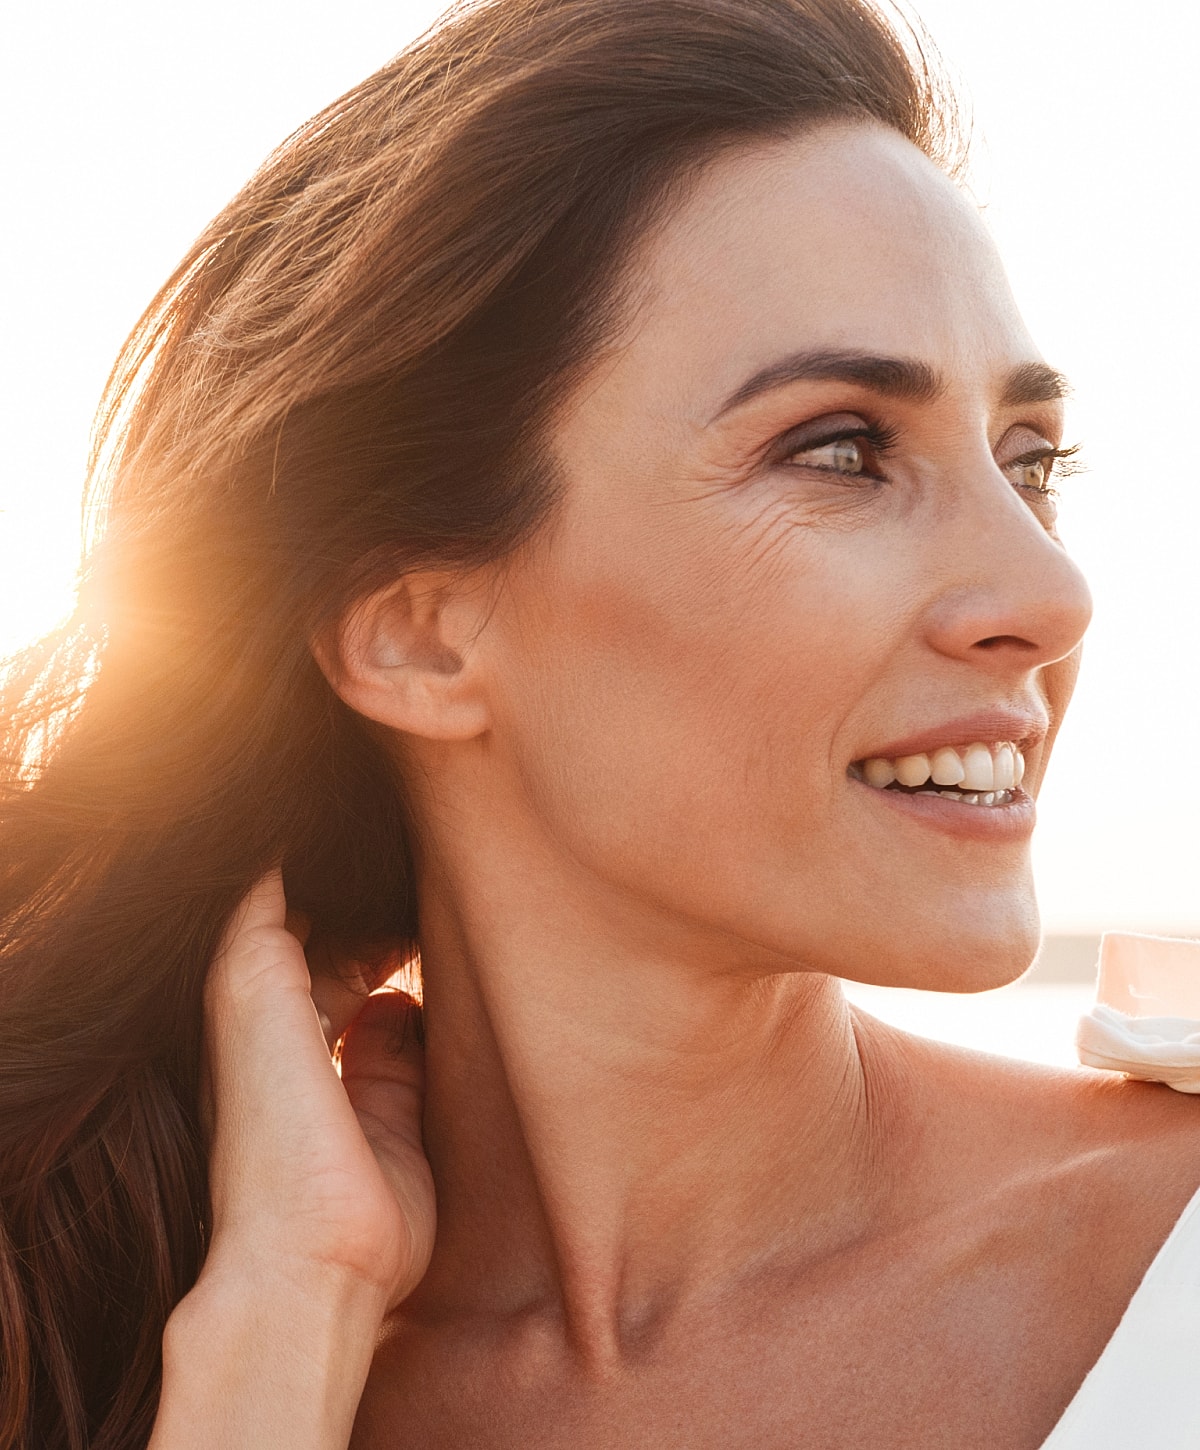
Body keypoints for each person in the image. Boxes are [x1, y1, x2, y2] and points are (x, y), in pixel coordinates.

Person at [3, 0, 1200, 1445]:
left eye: (1031, 460)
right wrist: (265, 1359)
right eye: (841, 450)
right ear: (419, 631)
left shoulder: (1173, 1264)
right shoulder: (117, 1355)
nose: (1051, 594)